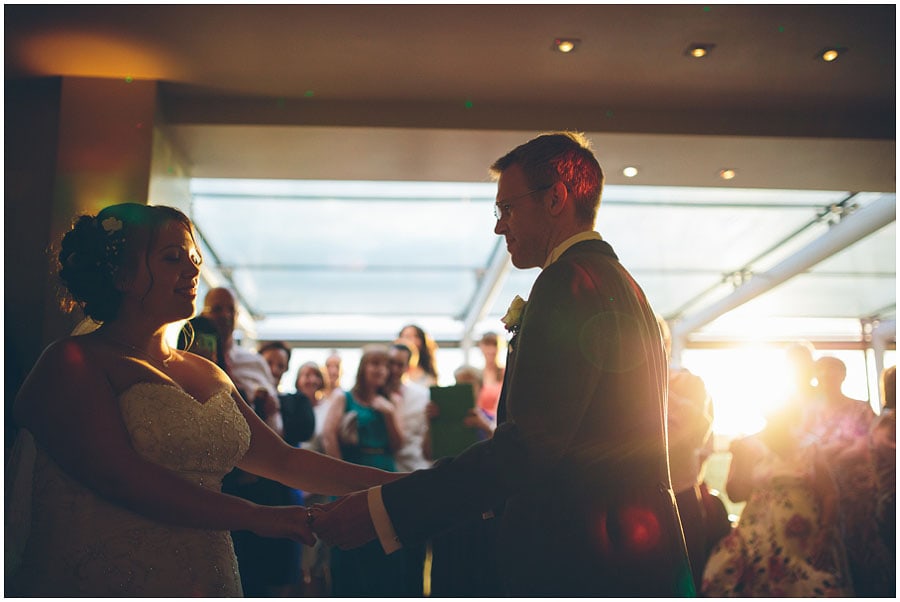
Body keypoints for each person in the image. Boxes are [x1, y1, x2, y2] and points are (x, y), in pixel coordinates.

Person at [310, 132, 694, 596]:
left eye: (506, 209)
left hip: (583, 561)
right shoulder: (622, 284)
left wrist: (384, 511)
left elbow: (525, 450)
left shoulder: (565, 283)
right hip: (631, 556)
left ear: (556, 198)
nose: (499, 227)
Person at [5, 203, 399, 596]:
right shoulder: (71, 360)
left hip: (206, 575)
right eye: (173, 257)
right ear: (121, 274)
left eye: (194, 259)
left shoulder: (207, 372)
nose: (193, 271)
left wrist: (402, 487)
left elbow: (282, 460)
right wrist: (256, 516)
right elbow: (121, 477)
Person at [701, 399, 852, 596]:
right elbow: (735, 496)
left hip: (805, 540)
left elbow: (829, 493)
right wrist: (740, 462)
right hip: (759, 540)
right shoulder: (748, 445)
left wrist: (825, 532)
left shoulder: (810, 446)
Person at [319, 344, 408, 596]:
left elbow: (398, 445)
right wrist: (340, 475)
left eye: (385, 365)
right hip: (354, 473)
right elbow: (328, 435)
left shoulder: (390, 401)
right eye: (374, 364)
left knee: (384, 542)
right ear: (363, 368)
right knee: (351, 543)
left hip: (384, 470)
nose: (380, 370)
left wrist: (389, 414)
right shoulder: (344, 397)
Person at [809, 356, 892, 596]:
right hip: (822, 495)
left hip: (857, 495)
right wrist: (835, 450)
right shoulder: (811, 414)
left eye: (832, 373)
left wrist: (826, 454)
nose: (826, 378)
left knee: (864, 550)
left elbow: (865, 445)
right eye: (821, 373)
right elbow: (804, 449)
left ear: (842, 376)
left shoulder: (859, 408)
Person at [656, 316, 720, 592]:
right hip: (631, 496)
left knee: (687, 577)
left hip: (680, 493)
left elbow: (698, 434)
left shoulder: (689, 383)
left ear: (664, 345)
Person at [386, 341, 432, 596]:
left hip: (415, 472)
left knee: (414, 548)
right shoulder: (375, 392)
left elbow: (426, 440)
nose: (393, 368)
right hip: (383, 473)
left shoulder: (421, 395)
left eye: (399, 364)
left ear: (408, 366)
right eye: (390, 362)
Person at [202, 287, 282, 435]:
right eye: (217, 309)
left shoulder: (256, 363)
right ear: (203, 314)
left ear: (237, 316)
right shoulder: (194, 363)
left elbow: (275, 422)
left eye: (231, 310)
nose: (225, 315)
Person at [475, 332, 504, 420]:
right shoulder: (476, 375)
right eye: (487, 345)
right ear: (481, 347)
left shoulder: (506, 373)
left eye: (494, 345)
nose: (491, 350)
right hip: (481, 425)